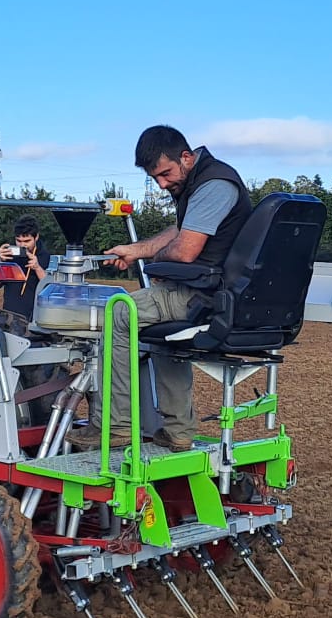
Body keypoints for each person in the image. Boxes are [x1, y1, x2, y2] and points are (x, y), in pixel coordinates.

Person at [103, 125, 251, 448]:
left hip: (203, 294)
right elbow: (180, 230)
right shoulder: (201, 183)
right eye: (155, 178)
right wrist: (135, 251)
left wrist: (158, 262)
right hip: (208, 292)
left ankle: (116, 428)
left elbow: (184, 249)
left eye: (166, 174)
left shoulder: (215, 184)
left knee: (117, 313)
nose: (162, 184)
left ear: (186, 157)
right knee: (162, 334)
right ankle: (179, 432)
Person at [0, 215, 48, 318]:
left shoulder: (45, 255)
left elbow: (49, 286)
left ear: (36, 237)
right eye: (18, 241)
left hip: (35, 315)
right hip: (10, 315)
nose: (22, 245)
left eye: (27, 241)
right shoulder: (9, 253)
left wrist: (37, 267)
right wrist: (1, 261)